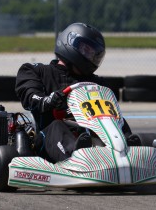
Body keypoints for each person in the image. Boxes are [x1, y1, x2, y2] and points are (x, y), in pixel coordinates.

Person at [15, 22, 134, 163]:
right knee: (57, 126)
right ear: (69, 43)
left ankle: (131, 150)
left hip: (90, 132)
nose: (91, 55)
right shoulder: (37, 71)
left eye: (94, 53)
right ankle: (77, 156)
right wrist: (49, 100)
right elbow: (30, 97)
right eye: (86, 50)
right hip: (48, 140)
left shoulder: (97, 83)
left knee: (116, 121)